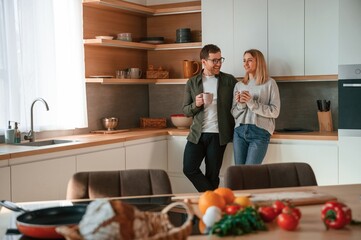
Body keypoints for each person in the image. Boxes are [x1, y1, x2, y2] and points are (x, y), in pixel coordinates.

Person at [182, 44, 238, 192]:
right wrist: (197, 104)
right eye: (214, 60)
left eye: (220, 59)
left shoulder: (229, 81)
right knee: (189, 168)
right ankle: (215, 199)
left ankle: (211, 209)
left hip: (218, 135)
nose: (218, 64)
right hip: (197, 135)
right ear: (204, 61)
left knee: (213, 175)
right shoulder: (192, 82)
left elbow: (240, 103)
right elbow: (186, 110)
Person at [231, 49, 280, 165]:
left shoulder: (270, 84)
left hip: (260, 132)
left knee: (250, 174)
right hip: (239, 131)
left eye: (250, 60)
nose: (245, 64)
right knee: (238, 173)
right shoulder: (239, 85)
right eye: (244, 61)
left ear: (259, 62)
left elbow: (275, 111)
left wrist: (252, 103)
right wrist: (241, 105)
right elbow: (234, 112)